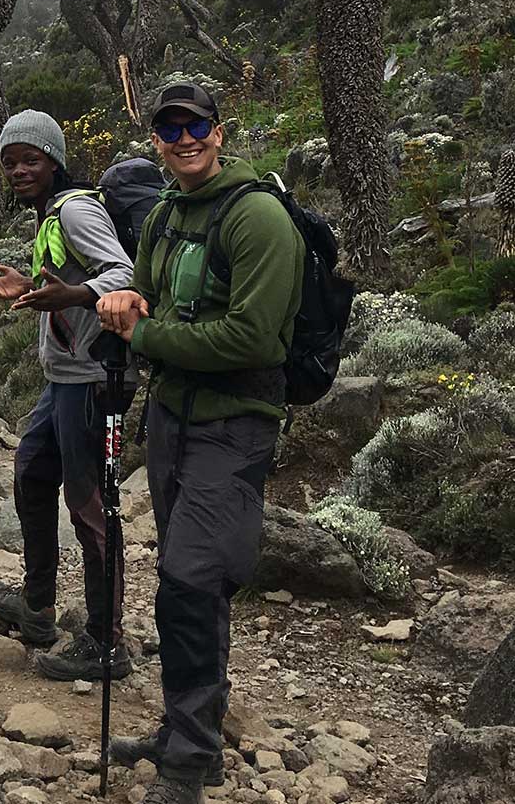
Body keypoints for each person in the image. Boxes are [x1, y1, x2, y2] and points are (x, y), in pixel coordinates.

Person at [95, 81, 304, 804]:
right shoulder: (164, 218)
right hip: (174, 420)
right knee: (187, 586)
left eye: (196, 126)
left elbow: (254, 336)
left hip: (237, 423)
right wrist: (127, 301)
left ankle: (188, 760)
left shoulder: (258, 217)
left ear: (220, 131)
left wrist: (144, 333)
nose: (183, 138)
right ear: (156, 139)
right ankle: (187, 731)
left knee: (190, 578)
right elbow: (146, 298)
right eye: (169, 128)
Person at [0, 110, 137, 681]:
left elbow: (124, 273)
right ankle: (38, 607)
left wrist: (78, 294)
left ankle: (105, 640)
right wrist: (32, 288)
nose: (19, 170)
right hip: (62, 377)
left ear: (55, 160)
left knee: (90, 506)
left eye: (30, 160)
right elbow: (62, 287)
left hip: (93, 379)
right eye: (10, 162)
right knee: (32, 473)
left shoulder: (76, 210)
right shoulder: (48, 216)